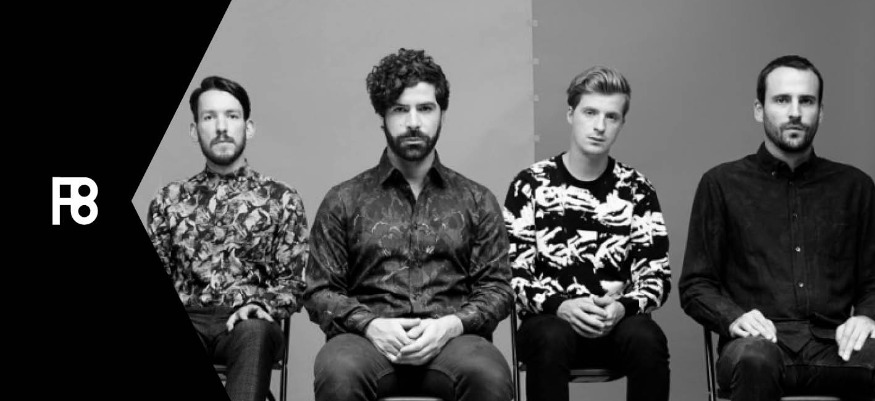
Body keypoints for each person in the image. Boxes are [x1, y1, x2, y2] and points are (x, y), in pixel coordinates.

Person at [304, 48, 514, 401]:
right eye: (400, 109)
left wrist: (452, 325)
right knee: (338, 373)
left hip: (454, 343)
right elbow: (318, 291)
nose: (413, 122)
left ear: (442, 113)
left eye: (425, 108)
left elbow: (498, 289)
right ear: (382, 117)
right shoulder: (344, 199)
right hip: (365, 344)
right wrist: (370, 325)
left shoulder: (476, 199)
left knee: (489, 375)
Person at [679, 54, 875, 401]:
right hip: (754, 345)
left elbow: (873, 280)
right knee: (754, 359)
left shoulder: (856, 187)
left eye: (806, 101)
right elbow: (696, 284)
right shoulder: (721, 184)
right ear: (759, 109)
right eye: (782, 100)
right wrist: (734, 317)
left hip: (834, 345)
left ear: (820, 112)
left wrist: (867, 317)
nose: (795, 112)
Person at [503, 66, 671, 401]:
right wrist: (560, 306)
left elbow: (657, 277)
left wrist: (622, 307)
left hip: (616, 323)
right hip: (549, 323)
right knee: (551, 337)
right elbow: (511, 273)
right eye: (590, 113)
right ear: (571, 114)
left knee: (648, 338)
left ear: (621, 123)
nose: (599, 126)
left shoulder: (636, 188)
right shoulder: (530, 184)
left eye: (611, 117)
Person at [147, 75, 308, 401]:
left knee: (255, 331)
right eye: (209, 117)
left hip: (247, 320)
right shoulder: (169, 199)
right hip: (191, 312)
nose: (221, 127)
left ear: (248, 127)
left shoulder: (282, 198)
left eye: (231, 116)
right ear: (194, 131)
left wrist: (262, 305)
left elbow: (294, 283)